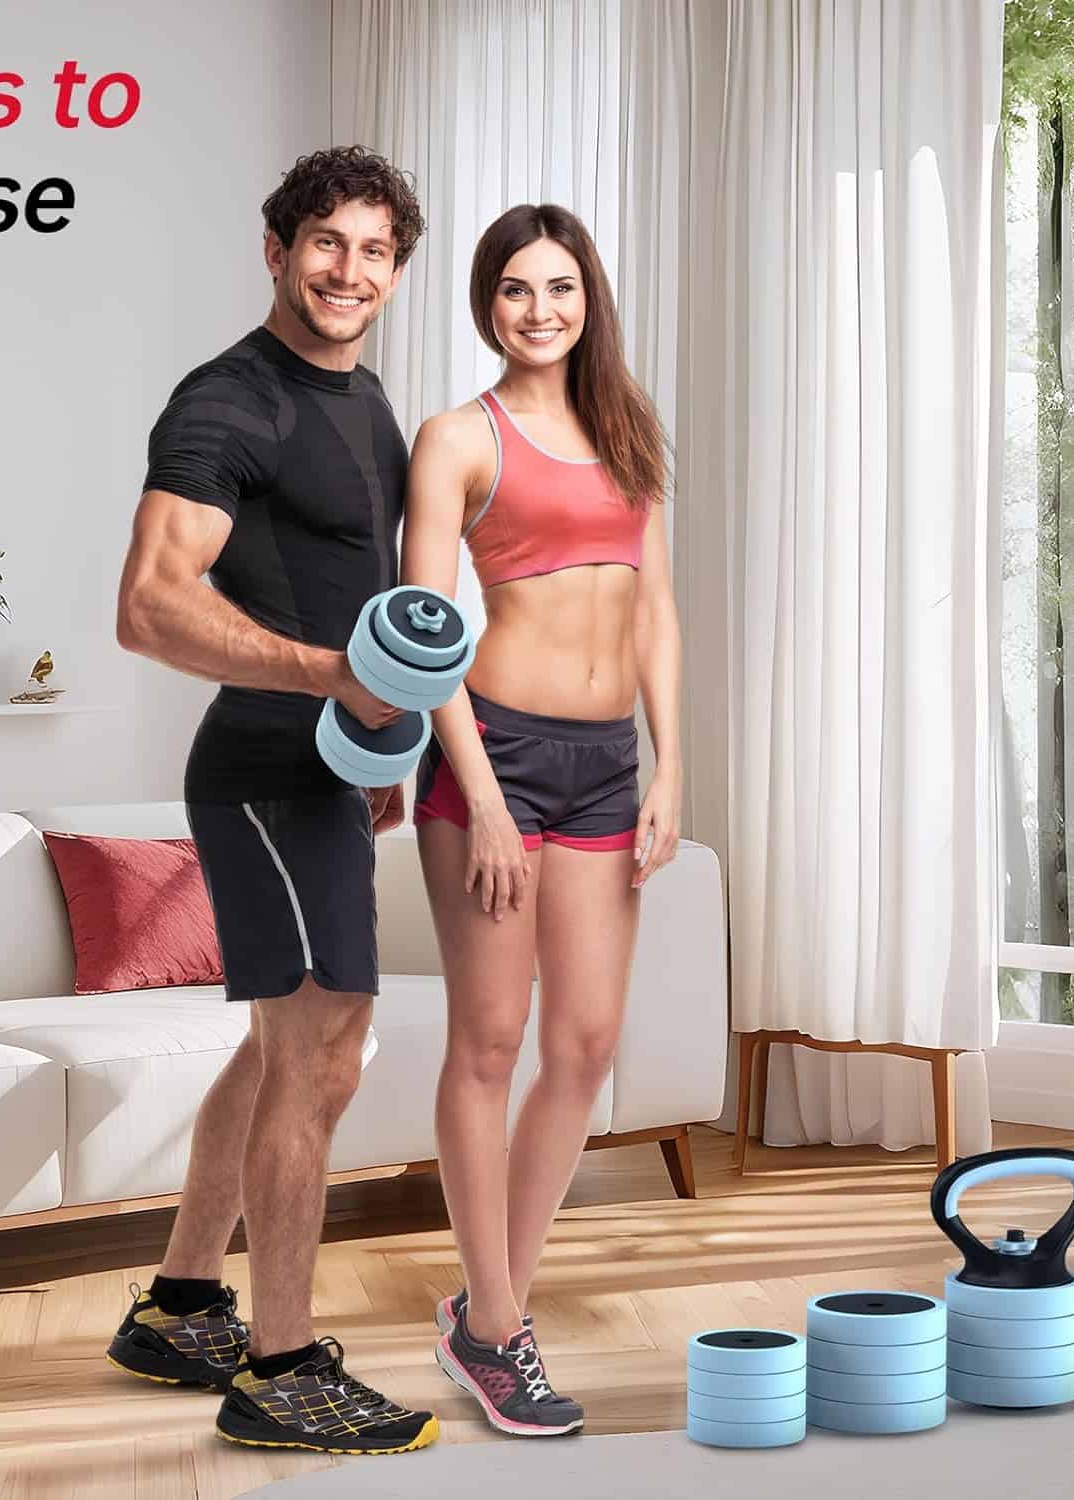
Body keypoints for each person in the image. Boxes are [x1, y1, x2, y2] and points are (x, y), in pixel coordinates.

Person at [109, 146, 439, 1457]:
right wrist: (332, 684)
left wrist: (379, 747)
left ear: (395, 272)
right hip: (260, 765)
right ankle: (282, 1369)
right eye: (325, 243)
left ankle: (185, 1306)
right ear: (275, 249)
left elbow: (361, 593)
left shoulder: (366, 407)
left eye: (373, 252)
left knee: (280, 1050)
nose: (347, 271)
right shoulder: (225, 404)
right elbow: (149, 606)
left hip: (325, 772)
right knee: (324, 1053)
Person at [401, 204, 683, 1436]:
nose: (539, 310)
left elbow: (654, 612)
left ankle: (482, 1313)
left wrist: (673, 763)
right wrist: (488, 801)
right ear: (486, 303)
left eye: (559, 288)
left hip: (607, 765)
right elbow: (422, 635)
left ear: (588, 298)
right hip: (493, 758)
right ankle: (503, 1325)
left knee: (586, 1043)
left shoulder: (625, 431)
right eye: (516, 290)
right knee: (491, 1040)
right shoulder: (458, 438)